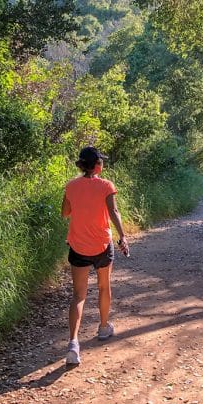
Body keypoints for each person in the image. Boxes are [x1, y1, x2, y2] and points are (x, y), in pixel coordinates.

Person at [61, 146, 129, 365]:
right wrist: (123, 236)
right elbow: (114, 212)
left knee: (78, 296)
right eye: (102, 161)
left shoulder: (71, 186)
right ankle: (102, 327)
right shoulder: (106, 186)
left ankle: (73, 343)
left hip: (78, 246)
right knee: (103, 287)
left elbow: (64, 212)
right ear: (97, 164)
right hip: (101, 245)